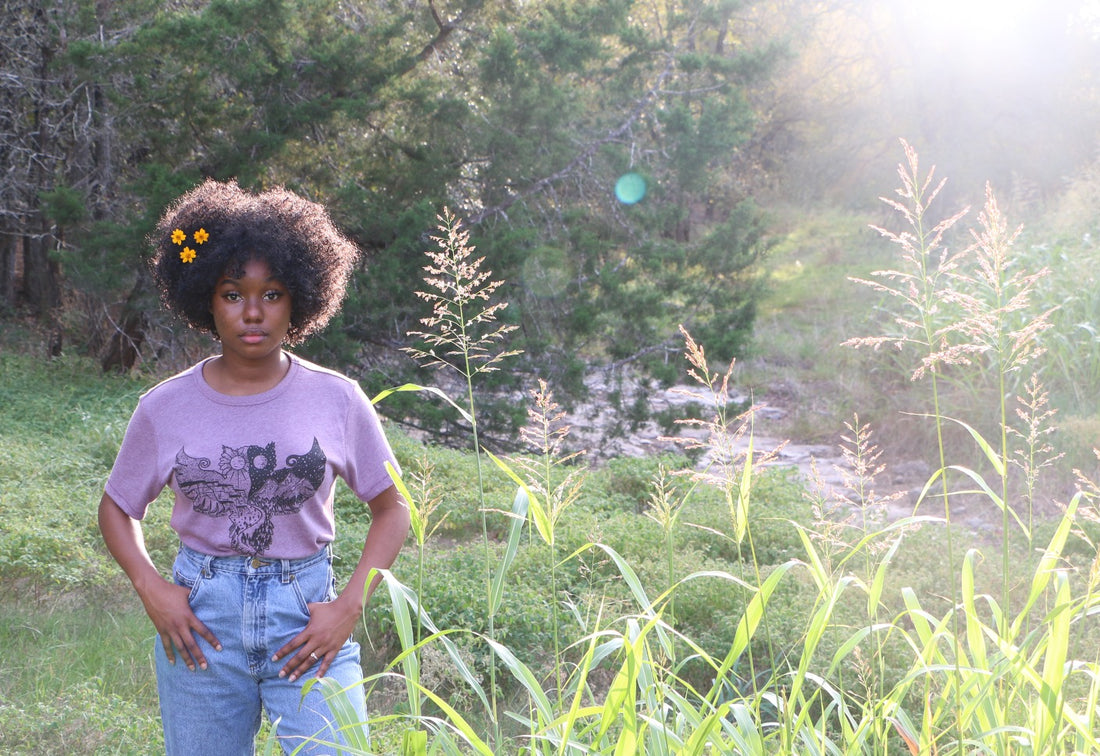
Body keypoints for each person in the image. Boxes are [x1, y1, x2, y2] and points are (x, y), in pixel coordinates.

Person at [98, 179, 410, 755]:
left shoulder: (338, 399)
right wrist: (151, 588)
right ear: (205, 299)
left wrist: (348, 607)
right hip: (202, 623)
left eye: (272, 294)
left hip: (306, 618)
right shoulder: (165, 407)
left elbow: (393, 509)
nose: (251, 312)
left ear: (300, 300)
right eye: (231, 293)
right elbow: (117, 507)